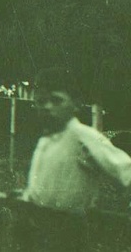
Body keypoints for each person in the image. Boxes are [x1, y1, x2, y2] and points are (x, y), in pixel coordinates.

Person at [16, 67, 131, 250]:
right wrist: (27, 195)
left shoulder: (84, 136)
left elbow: (126, 170)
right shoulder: (45, 139)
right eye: (41, 101)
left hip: (67, 230)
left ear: (76, 104)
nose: (47, 107)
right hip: (36, 226)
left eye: (56, 100)